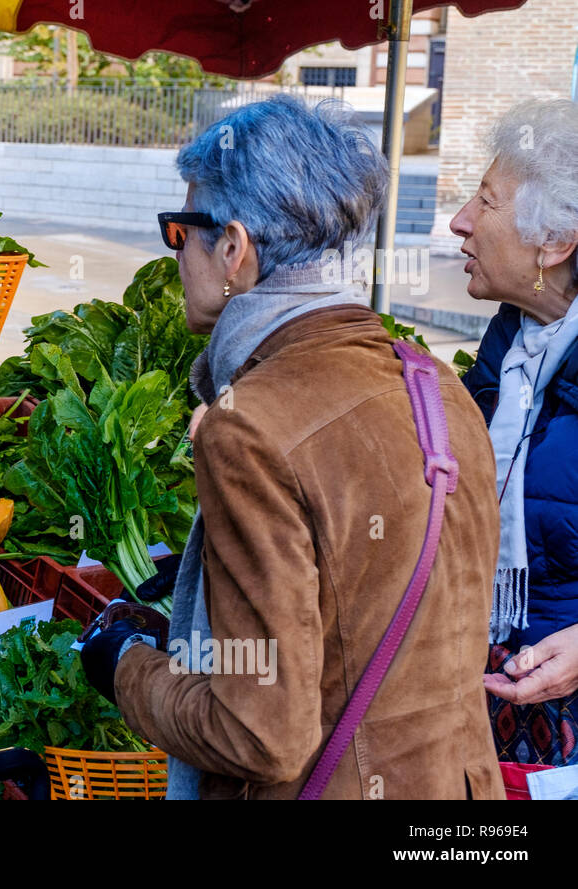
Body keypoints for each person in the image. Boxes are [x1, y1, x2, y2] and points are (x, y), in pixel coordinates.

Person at [80, 95, 504, 799]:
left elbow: (260, 734)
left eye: (180, 232)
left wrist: (124, 663)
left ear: (235, 249)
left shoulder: (248, 425)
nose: (177, 252)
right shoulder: (434, 384)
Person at [455, 98, 578, 766]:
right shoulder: (511, 340)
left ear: (555, 243)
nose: (460, 222)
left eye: (485, 202)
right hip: (500, 699)